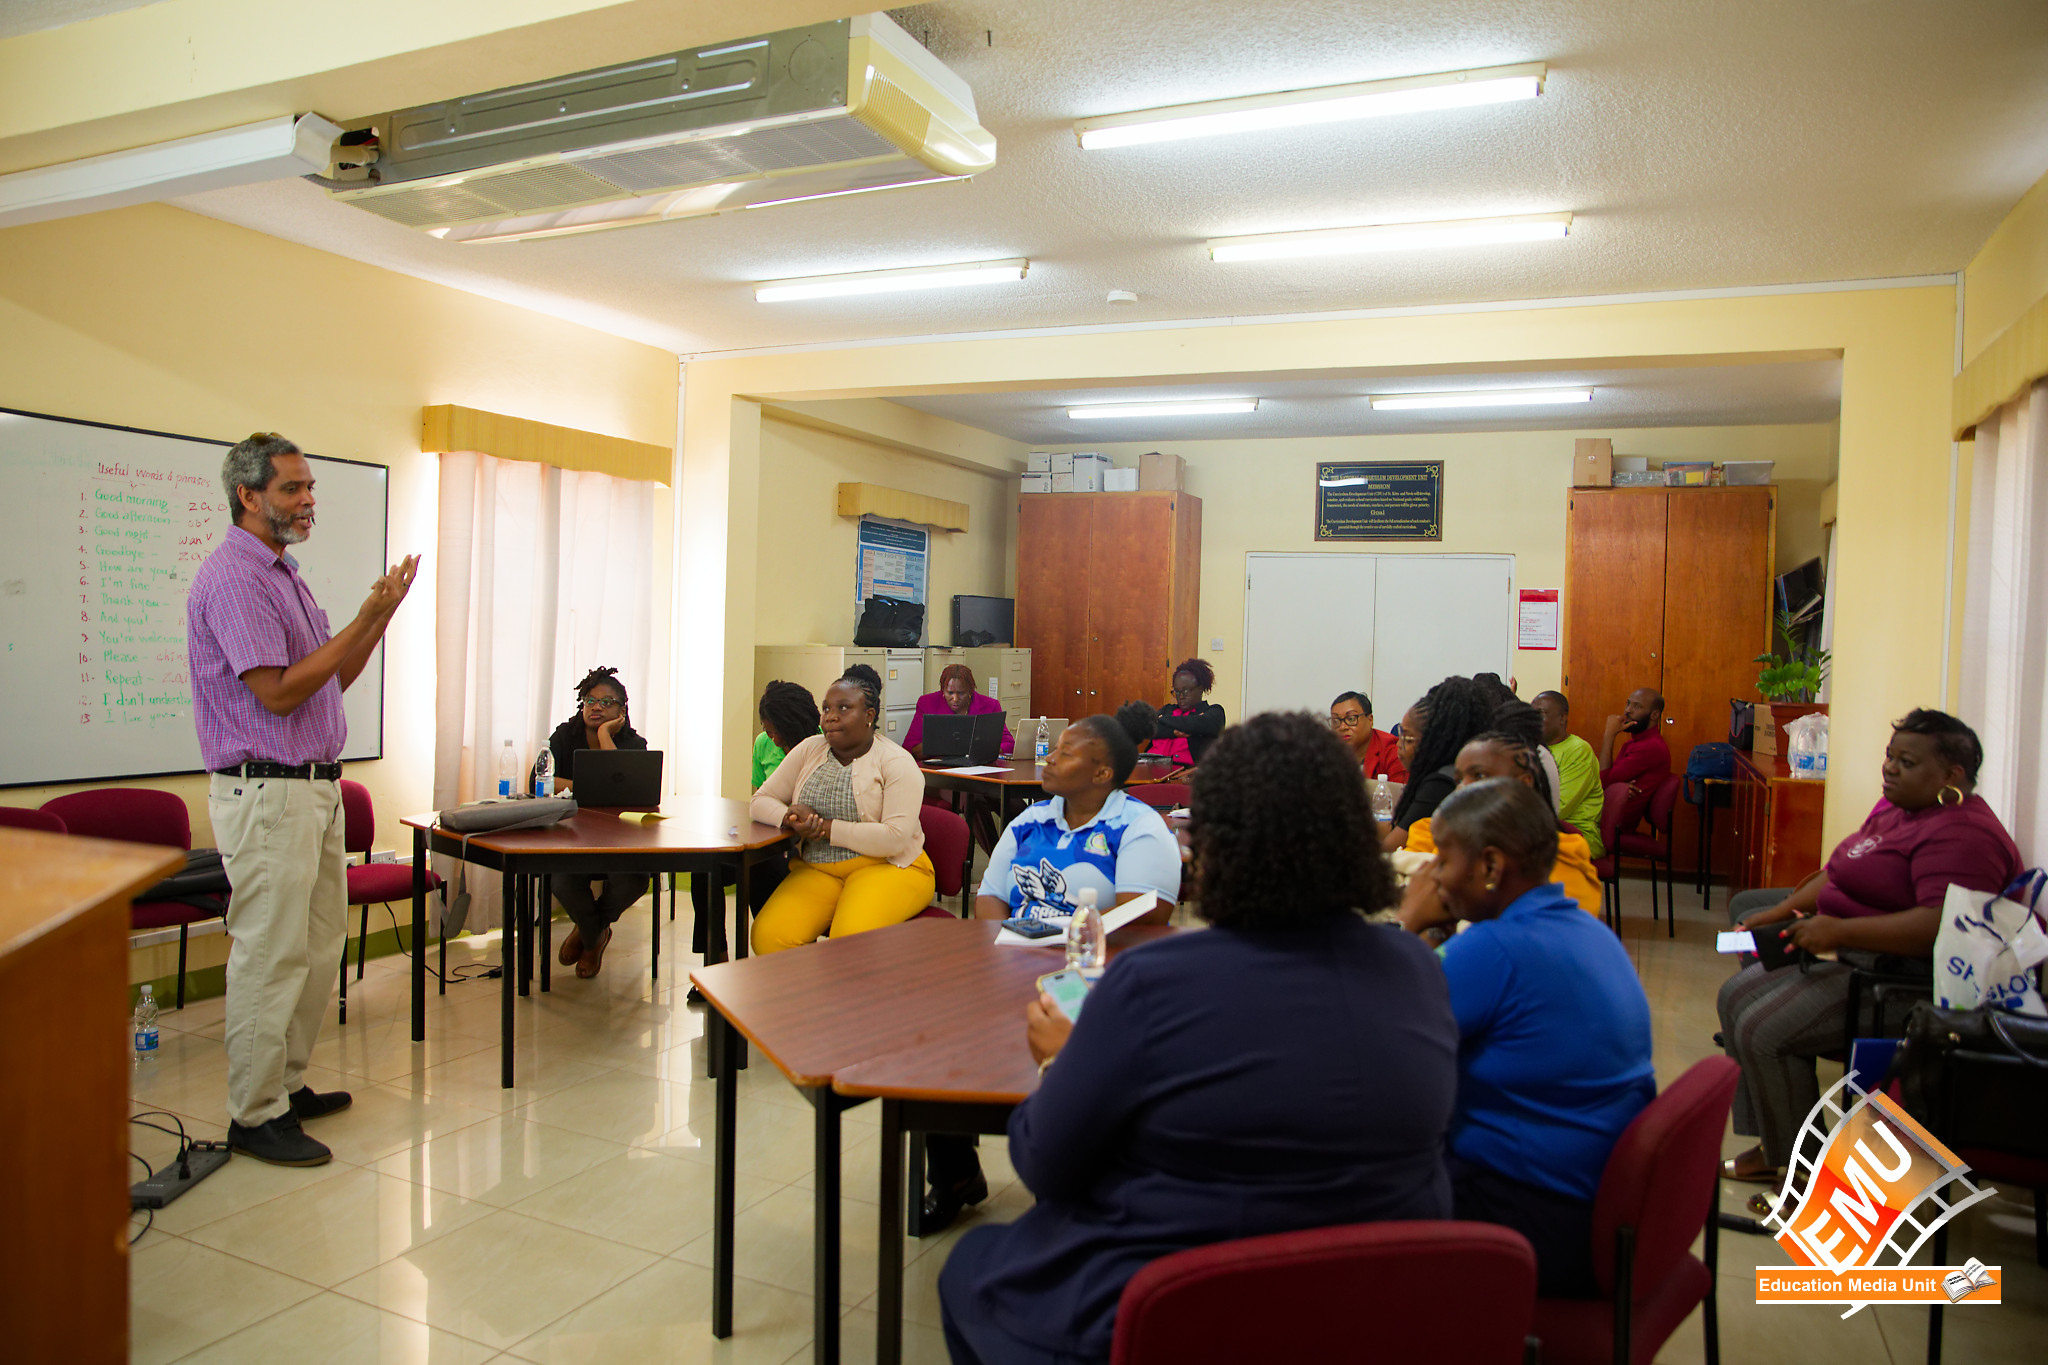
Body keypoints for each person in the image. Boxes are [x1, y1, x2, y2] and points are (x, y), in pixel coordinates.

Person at [938, 712, 1459, 1365]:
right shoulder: (1418, 972)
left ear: (1209, 848)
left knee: (973, 1265)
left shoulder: (1153, 982)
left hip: (1185, 1302)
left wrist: (1060, 1062)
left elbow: (1045, 1162)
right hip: (1374, 1305)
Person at [187, 432, 417, 1167]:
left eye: (309, 486)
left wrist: (378, 617)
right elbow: (280, 693)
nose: (308, 499)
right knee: (272, 953)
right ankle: (254, 1114)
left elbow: (329, 681)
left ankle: (284, 1088)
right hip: (268, 793)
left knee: (317, 948)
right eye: (292, 488)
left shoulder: (285, 574)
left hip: (314, 790)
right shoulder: (235, 578)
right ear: (248, 496)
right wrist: (362, 616)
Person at [1717, 710, 2022, 1195]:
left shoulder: (1965, 835)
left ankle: (1804, 1175)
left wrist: (1838, 932)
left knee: (1765, 1029)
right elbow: (1838, 873)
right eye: (1890, 756)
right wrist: (1781, 912)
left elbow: (1937, 928)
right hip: (1856, 958)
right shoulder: (1898, 808)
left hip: (1909, 984)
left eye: (1907, 762)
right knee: (1734, 996)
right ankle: (1777, 1148)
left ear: (1951, 775)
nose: (1890, 768)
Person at [921, 714, 1185, 1231]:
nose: (1049, 759)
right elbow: (991, 897)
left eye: (1065, 753)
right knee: (940, 1036)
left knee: (1069, 1060)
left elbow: (1145, 915)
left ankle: (1065, 1181)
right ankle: (955, 1175)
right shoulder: (1030, 820)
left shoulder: (1138, 826)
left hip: (1096, 975)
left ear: (1102, 773)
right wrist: (1007, 947)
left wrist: (1068, 949)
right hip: (1013, 960)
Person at [1405, 779, 1655, 1296]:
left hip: (1530, 1213)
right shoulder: (1586, 929)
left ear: (1491, 866)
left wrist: (1408, 922)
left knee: (1352, 1190)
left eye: (1443, 860)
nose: (1433, 875)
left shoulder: (1495, 949)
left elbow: (1379, 1036)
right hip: (1589, 1195)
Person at [748, 672, 935, 952]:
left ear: (869, 715)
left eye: (843, 708)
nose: (830, 717)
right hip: (818, 868)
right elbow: (760, 800)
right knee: (769, 937)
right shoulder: (810, 749)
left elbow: (894, 838)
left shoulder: (896, 761)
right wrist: (789, 817)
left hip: (888, 866)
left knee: (848, 944)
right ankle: (813, 983)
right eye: (826, 709)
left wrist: (824, 827)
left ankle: (843, 981)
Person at [684, 680, 816, 1002]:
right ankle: (716, 966)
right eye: (768, 732)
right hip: (774, 836)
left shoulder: (819, 747)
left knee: (761, 869)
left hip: (805, 848)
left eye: (777, 732)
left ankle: (778, 966)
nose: (774, 739)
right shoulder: (763, 745)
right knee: (708, 869)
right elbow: (760, 798)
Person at [1400, 723, 1604, 916]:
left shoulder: (1558, 854)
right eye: (1459, 780)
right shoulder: (1429, 830)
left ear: (1523, 783)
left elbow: (1555, 928)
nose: (1463, 788)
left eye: (1480, 776)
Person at [541, 667, 651, 979]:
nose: (596, 707)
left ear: (622, 711)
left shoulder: (633, 744)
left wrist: (604, 736)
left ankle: (588, 932)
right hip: (571, 834)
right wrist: (589, 786)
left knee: (633, 882)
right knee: (562, 882)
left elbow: (622, 788)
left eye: (606, 702)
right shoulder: (565, 735)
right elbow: (542, 779)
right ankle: (595, 935)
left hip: (621, 838)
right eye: (590, 700)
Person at [1382, 675, 1495, 851]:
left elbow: (1391, 846)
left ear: (1434, 740)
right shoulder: (1450, 771)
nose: (1398, 744)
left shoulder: (1440, 783)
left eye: (1407, 738)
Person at [1534, 690, 1604, 858]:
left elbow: (1560, 808)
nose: (1533, 720)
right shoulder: (1536, 748)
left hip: (1576, 834)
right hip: (1543, 828)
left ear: (1563, 717)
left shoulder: (1578, 750)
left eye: (1541, 714)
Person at [1599, 687, 1671, 835]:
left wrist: (1609, 735)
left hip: (1615, 821)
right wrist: (1617, 786)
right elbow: (1607, 781)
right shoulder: (1634, 743)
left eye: (1637, 706)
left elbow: (1604, 781)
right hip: (1607, 812)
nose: (1628, 710)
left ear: (1654, 715)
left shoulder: (1650, 747)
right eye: (1628, 703)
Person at [905, 663, 1014, 759]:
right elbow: (910, 747)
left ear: (970, 691)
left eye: (961, 693)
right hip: (939, 768)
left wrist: (984, 750)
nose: (955, 699)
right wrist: (946, 746)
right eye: (950, 693)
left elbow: (1009, 744)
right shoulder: (927, 703)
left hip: (978, 768)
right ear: (943, 690)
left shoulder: (990, 705)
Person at [1149, 658, 1224, 765]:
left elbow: (1198, 724)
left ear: (1201, 688)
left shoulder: (1214, 711)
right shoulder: (1168, 709)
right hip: (1151, 768)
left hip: (1187, 772)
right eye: (1177, 692)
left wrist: (1162, 720)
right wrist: (1173, 732)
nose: (1181, 696)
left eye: (1186, 691)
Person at [1329, 689, 1407, 781]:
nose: (1342, 727)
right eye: (1335, 721)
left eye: (1351, 719)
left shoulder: (1394, 753)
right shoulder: (1328, 754)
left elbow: (1400, 789)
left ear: (1370, 720)